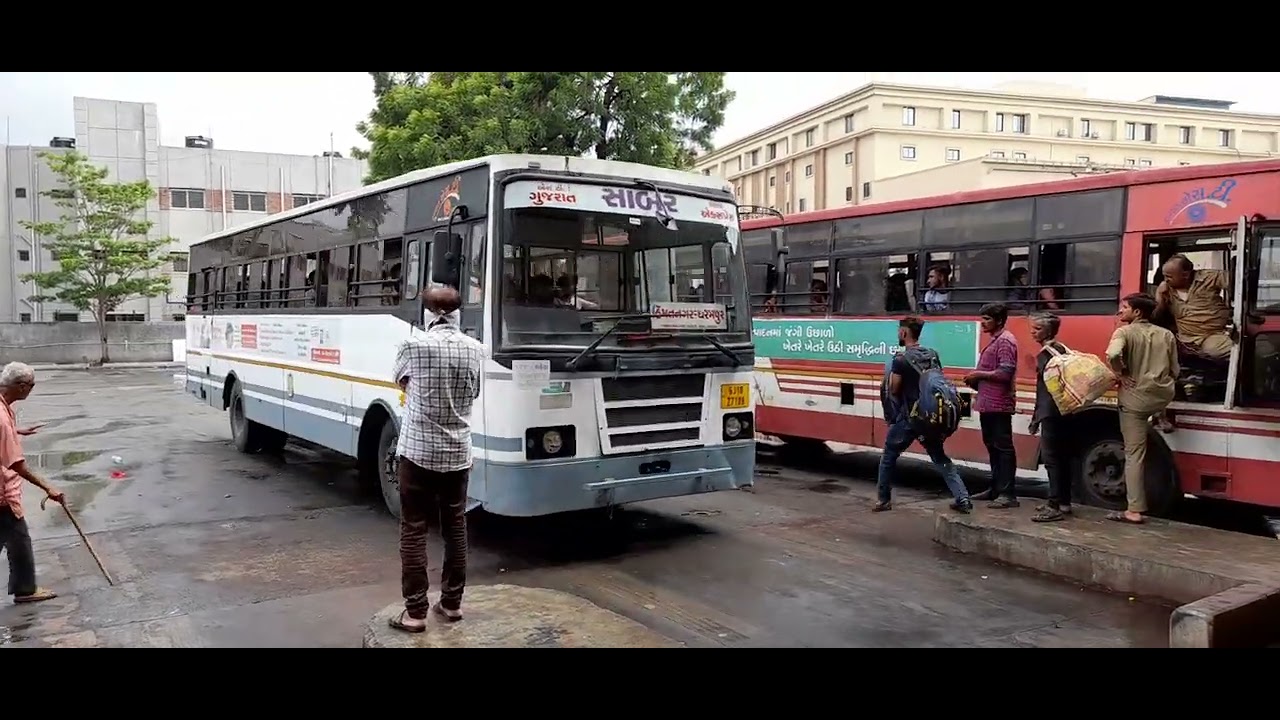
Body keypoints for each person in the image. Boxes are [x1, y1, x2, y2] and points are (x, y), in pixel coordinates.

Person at [388, 286, 484, 632]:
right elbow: (473, 392)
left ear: (426, 314)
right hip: (458, 452)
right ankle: (452, 604)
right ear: (459, 314)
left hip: (417, 452)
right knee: (455, 526)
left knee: (414, 529)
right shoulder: (476, 350)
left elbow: (400, 381)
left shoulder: (412, 346)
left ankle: (415, 613)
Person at [874, 316, 973, 514]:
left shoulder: (900, 359)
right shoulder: (932, 354)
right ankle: (962, 498)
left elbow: (894, 389)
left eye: (898, 330)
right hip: (929, 417)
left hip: (908, 418)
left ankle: (884, 500)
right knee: (940, 458)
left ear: (903, 333)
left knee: (888, 457)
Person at [1105, 292, 1178, 525]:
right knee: (1157, 402)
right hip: (1162, 395)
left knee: (1134, 454)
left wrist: (1121, 372)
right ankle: (1161, 417)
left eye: (1124, 307)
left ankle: (1134, 510)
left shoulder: (1123, 332)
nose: (1120, 311)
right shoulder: (1166, 334)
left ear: (1137, 312)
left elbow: (1113, 354)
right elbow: (1175, 369)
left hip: (1135, 400)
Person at [0, 362, 66, 605]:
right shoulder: (2, 418)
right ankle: (25, 589)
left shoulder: (3, 409)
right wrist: (48, 487)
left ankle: (24, 588)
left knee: (18, 540)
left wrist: (17, 431)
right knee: (18, 537)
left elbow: (3, 432)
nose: (32, 389)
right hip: (2, 493)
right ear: (20, 386)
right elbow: (16, 464)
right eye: (31, 385)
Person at [965, 302, 1020, 509]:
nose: (982, 323)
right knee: (993, 447)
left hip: (999, 404)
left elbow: (1005, 373)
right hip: (988, 403)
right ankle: (996, 488)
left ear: (999, 320)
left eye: (987, 319)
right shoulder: (996, 340)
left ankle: (1007, 493)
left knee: (1003, 448)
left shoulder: (1006, 341)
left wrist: (978, 374)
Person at [1026, 313, 1075, 522]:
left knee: (1052, 459)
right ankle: (1064, 502)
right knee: (1063, 457)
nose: (1032, 332)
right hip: (1066, 410)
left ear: (1048, 331)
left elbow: (1045, 390)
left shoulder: (1045, 355)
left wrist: (1036, 417)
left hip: (1051, 413)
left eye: (1037, 329)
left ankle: (1053, 505)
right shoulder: (1063, 349)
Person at [1155, 254, 1232, 362]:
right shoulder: (1166, 290)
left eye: (1169, 276)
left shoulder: (1209, 277)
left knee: (1237, 349)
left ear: (1185, 275)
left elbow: (1239, 283)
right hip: (1189, 339)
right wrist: (1159, 296)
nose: (1166, 280)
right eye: (1164, 276)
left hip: (1215, 334)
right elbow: (1156, 316)